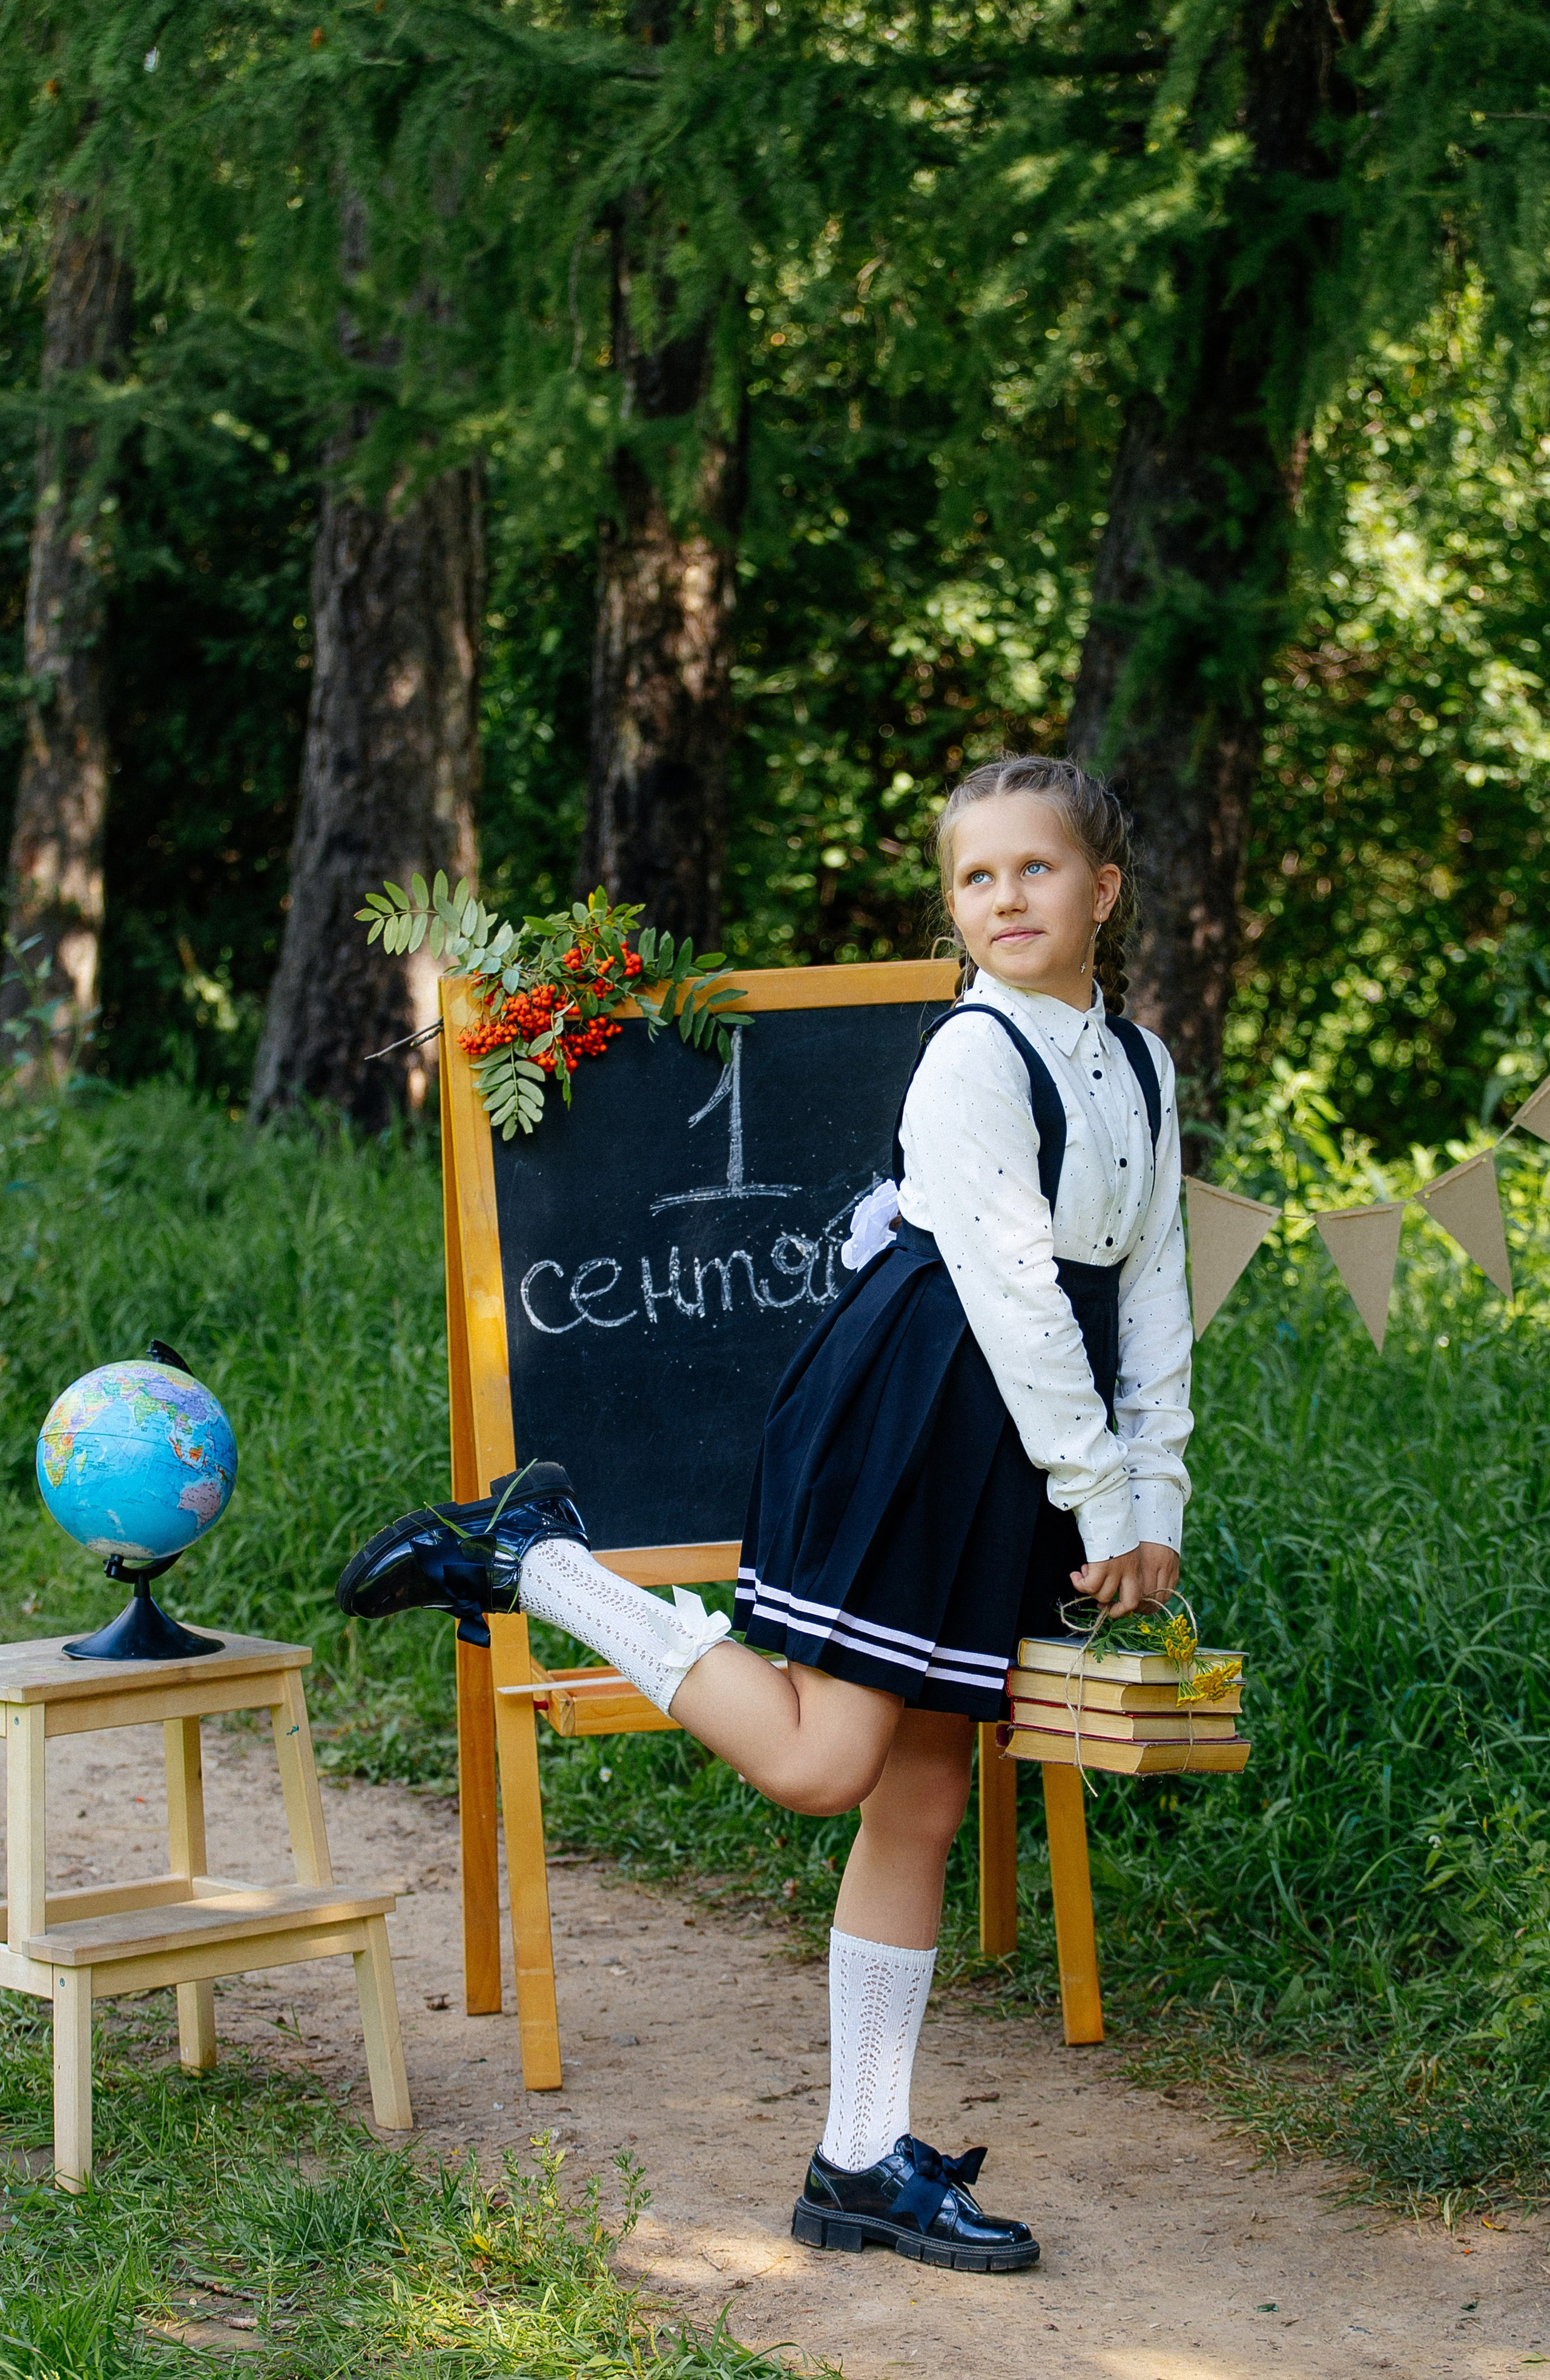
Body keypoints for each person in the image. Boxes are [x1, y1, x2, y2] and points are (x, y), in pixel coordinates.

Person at [338, 753, 1193, 2277]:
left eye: (1035, 870)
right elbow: (1006, 1292)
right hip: (917, 1416)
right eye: (974, 876)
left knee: (921, 1795)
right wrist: (1099, 1487)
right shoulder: (971, 1060)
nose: (1003, 898)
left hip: (1017, 1444)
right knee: (826, 1760)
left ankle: (857, 2163)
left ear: (1102, 889)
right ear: (952, 904)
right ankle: (532, 1557)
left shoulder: (1138, 1062)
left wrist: (1157, 1492)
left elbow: (1150, 1291)